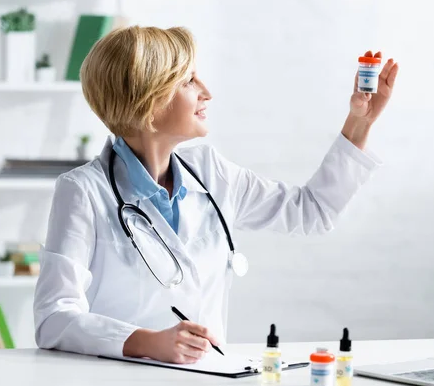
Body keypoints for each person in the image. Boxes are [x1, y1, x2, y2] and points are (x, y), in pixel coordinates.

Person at [33, 25, 399, 364]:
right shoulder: (83, 191)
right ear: (149, 98)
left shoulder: (212, 172)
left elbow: (312, 212)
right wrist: (150, 343)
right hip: (123, 382)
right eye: (189, 80)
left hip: (209, 378)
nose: (207, 92)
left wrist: (360, 122)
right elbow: (54, 317)